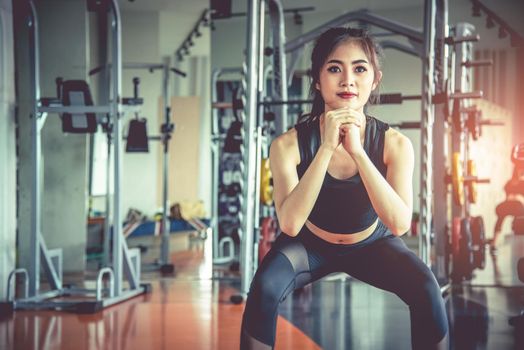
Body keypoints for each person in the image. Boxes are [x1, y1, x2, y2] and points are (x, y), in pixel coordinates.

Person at [239, 27, 449, 350]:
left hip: (372, 244)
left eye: (360, 69)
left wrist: (359, 153)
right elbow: (291, 224)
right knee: (264, 288)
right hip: (308, 247)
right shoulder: (287, 145)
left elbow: (400, 224)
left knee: (426, 287)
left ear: (374, 79)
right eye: (335, 68)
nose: (347, 80)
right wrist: (325, 148)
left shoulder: (396, 145)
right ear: (318, 79)